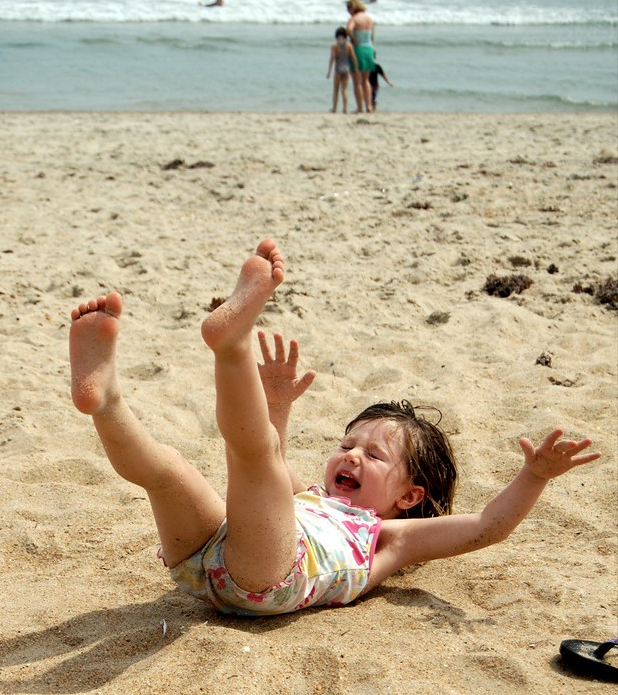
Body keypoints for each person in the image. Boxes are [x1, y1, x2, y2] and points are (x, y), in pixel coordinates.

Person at [68, 238, 601, 618]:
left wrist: (535, 477)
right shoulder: (311, 496)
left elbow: (487, 525)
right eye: (348, 444)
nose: (351, 456)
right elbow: (270, 473)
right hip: (204, 558)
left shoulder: (390, 539)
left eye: (374, 457)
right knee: (168, 471)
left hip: (272, 577)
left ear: (411, 495)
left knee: (255, 462)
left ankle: (230, 347)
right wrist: (276, 402)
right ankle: (105, 401)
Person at [346, 0, 376, 112]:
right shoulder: (370, 19)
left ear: (352, 8)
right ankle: (368, 106)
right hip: (368, 48)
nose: (349, 12)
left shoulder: (354, 19)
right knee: (366, 80)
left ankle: (360, 108)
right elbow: (372, 37)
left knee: (357, 81)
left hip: (357, 49)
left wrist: (353, 39)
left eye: (349, 9)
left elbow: (348, 29)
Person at [326, 27, 356, 113]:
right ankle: (345, 109)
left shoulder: (334, 45)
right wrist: (355, 68)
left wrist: (329, 71)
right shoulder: (349, 45)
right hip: (346, 69)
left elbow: (332, 58)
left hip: (338, 69)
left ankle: (334, 108)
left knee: (336, 89)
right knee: (344, 89)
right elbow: (353, 57)